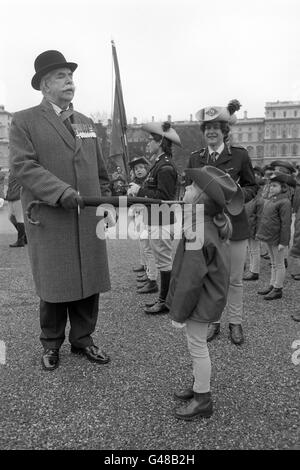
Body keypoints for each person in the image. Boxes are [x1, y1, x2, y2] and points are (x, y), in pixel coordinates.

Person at [9, 50, 111, 371]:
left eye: (70, 76)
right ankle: (51, 344)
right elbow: (23, 166)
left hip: (87, 218)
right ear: (44, 85)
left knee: (87, 281)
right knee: (55, 283)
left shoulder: (86, 122)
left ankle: (83, 340)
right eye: (60, 76)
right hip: (51, 216)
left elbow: (100, 170)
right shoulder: (24, 120)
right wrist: (61, 192)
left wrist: (106, 203)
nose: (69, 81)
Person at [166, 166, 243, 420]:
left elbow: (191, 278)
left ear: (200, 199)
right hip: (208, 297)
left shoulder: (198, 229)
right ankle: (199, 384)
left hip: (201, 300)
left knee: (197, 346)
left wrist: (179, 312)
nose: (186, 187)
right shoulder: (207, 223)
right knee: (196, 346)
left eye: (192, 186)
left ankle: (203, 399)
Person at [187, 100, 258, 345]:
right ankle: (213, 320)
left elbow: (252, 187)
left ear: (225, 131)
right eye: (207, 127)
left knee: (235, 278)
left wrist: (236, 196)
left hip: (235, 225)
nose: (211, 131)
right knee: (210, 277)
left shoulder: (239, 155)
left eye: (216, 127)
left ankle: (235, 322)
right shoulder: (195, 158)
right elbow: (189, 191)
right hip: (206, 226)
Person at [128, 121, 181, 314]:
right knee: (162, 261)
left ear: (160, 142)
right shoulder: (159, 164)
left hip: (162, 221)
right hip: (156, 220)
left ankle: (165, 301)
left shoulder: (165, 166)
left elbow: (164, 198)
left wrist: (139, 189)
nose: (147, 143)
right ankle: (163, 299)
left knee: (164, 263)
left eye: (151, 140)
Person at [256, 173, 293, 300]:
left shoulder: (285, 202)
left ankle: (278, 288)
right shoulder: (273, 199)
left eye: (275, 186)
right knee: (273, 263)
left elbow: (286, 223)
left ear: (283, 187)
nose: (271, 188)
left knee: (279, 263)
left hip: (277, 239)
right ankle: (272, 284)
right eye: (271, 186)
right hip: (270, 237)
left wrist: (284, 242)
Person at [127, 156, 158, 294]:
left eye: (141, 167)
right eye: (136, 168)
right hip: (140, 216)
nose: (138, 170)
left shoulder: (148, 183)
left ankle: (152, 279)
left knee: (148, 248)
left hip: (150, 216)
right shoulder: (136, 182)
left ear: (146, 168)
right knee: (143, 245)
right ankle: (147, 272)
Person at [243, 166, 265, 280]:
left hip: (254, 228)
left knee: (255, 250)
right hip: (248, 226)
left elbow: (260, 217)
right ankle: (251, 269)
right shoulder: (250, 196)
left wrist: (258, 231)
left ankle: (254, 271)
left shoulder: (259, 199)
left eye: (257, 174)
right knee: (251, 250)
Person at [6, 171, 27, 247]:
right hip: (12, 197)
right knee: (11, 217)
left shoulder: (19, 170)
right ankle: (24, 237)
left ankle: (21, 240)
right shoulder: (12, 171)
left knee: (19, 218)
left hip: (17, 196)